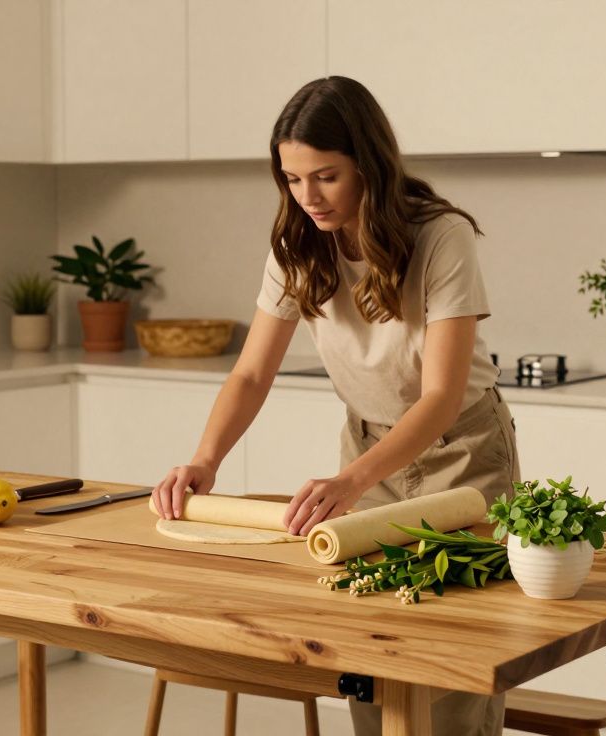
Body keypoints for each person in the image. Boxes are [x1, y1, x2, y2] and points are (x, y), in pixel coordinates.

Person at [150, 76, 520, 736]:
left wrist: (352, 481)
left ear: (369, 166)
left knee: (456, 655)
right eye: (291, 179)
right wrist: (204, 460)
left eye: (325, 176)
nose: (307, 197)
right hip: (368, 441)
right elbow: (252, 372)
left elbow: (439, 397)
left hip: (463, 451)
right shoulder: (298, 245)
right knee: (368, 645)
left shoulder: (441, 237)